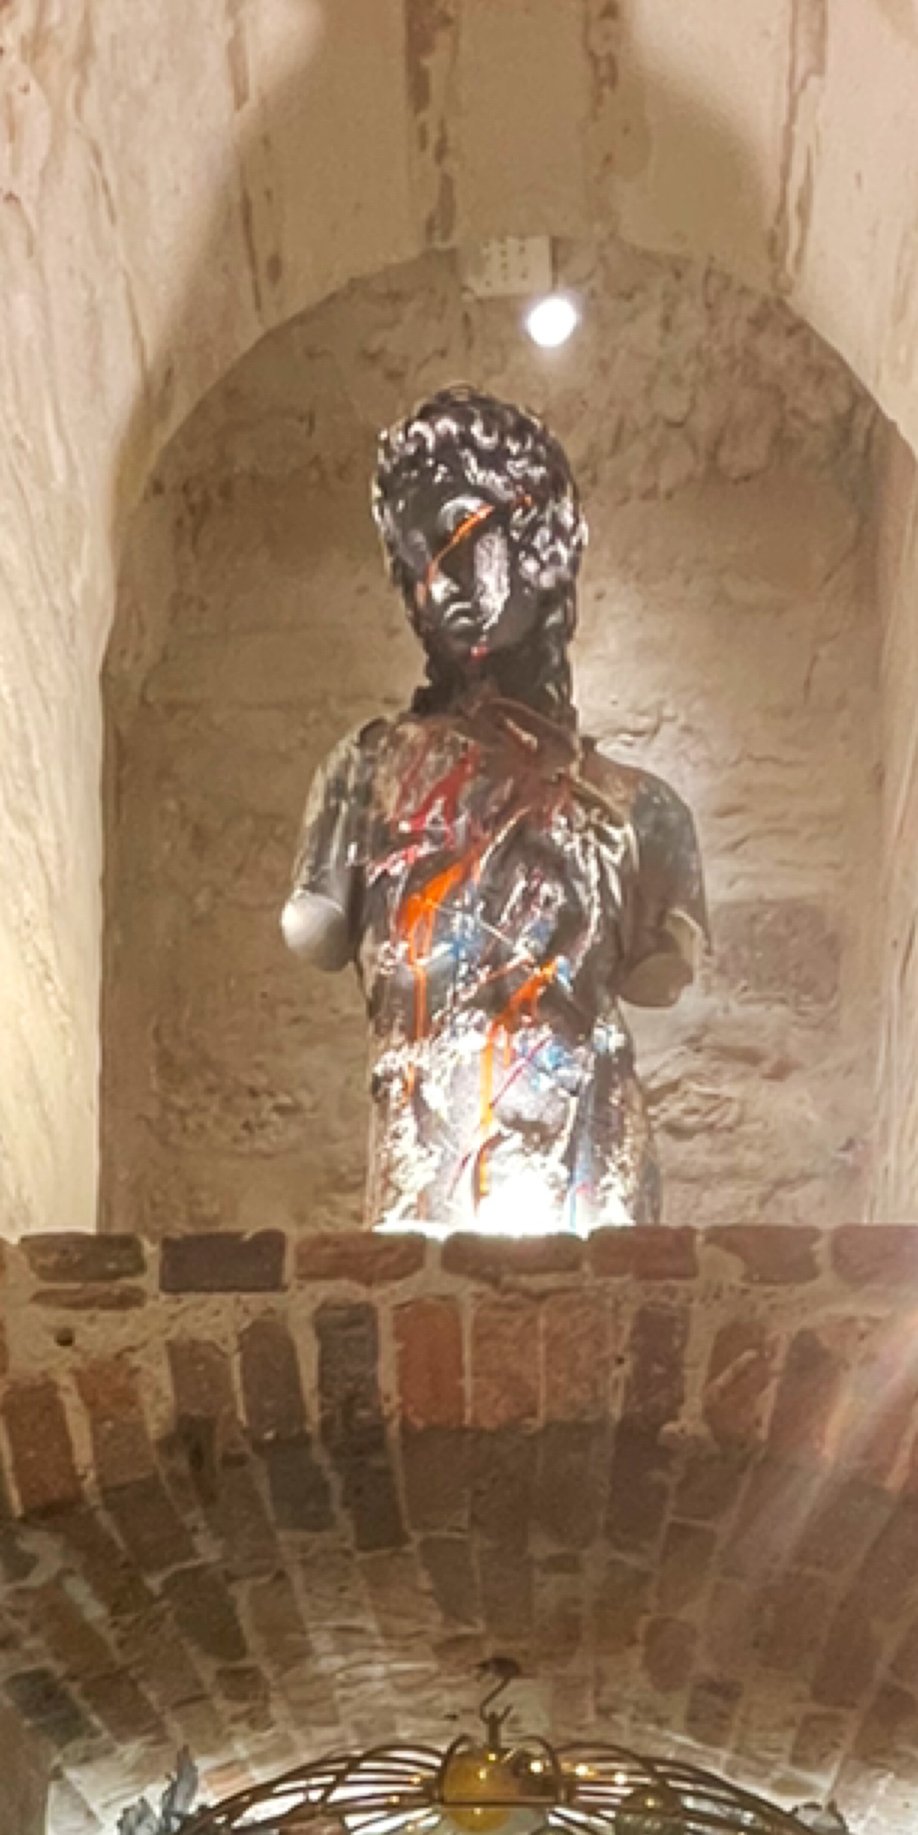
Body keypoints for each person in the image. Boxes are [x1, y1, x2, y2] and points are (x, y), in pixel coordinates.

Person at [283, 389, 707, 1233]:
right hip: (419, 1199)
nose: (438, 582)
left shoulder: (645, 815)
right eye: (414, 560)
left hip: (590, 1194)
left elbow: (662, 970)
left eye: (460, 533)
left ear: (536, 537)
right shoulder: (361, 779)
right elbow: (315, 924)